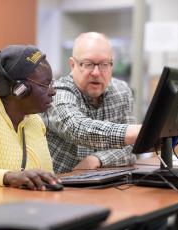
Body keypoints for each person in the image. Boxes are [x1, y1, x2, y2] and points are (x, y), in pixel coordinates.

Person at [43, 32, 141, 173]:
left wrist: (97, 159)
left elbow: (131, 149)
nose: (96, 72)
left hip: (105, 184)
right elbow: (77, 129)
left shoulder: (122, 91)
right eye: (88, 64)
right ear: (72, 65)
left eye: (104, 64)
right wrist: (131, 133)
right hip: (61, 185)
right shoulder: (57, 92)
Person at [0, 45, 61, 191]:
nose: (52, 92)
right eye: (45, 85)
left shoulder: (35, 120)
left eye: (51, 83)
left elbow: (47, 178)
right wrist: (7, 177)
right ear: (20, 89)